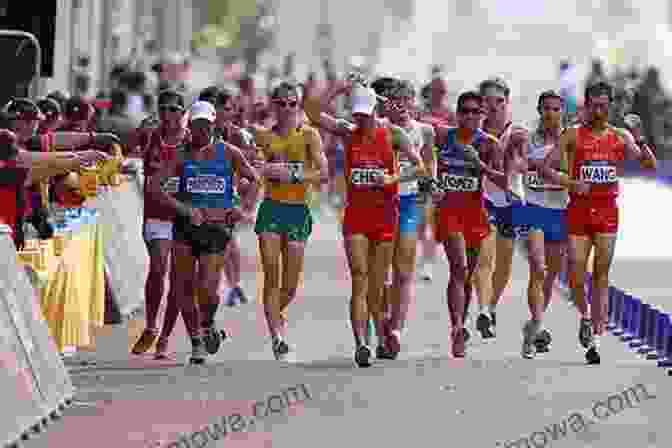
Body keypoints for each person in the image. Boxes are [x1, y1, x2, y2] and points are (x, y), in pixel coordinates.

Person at [305, 79, 426, 367]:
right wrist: (340, 87)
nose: (359, 119)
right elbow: (312, 113)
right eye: (356, 113)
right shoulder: (348, 132)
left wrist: (392, 179)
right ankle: (361, 343)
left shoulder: (394, 134)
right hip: (356, 216)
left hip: (385, 216)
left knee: (376, 282)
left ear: (375, 111)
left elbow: (420, 168)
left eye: (365, 114)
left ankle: (383, 329)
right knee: (359, 279)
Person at [542, 81, 656, 364]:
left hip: (607, 211)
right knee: (577, 274)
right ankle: (584, 316)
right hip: (579, 211)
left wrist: (640, 138)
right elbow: (544, 168)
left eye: (604, 106)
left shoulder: (619, 136)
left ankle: (595, 337)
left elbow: (649, 165)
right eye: (594, 105)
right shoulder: (572, 135)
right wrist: (569, 182)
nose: (599, 111)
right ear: (586, 105)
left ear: (611, 106)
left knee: (602, 274)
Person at [147, 101, 259, 364]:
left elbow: (254, 179)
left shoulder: (229, 152)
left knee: (208, 290)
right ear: (190, 126)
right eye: (195, 125)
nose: (200, 130)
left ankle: (208, 324)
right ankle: (196, 341)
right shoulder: (180, 154)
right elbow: (154, 186)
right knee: (183, 287)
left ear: (212, 125)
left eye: (205, 125)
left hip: (217, 228)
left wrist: (242, 209)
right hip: (186, 228)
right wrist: (183, 209)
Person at [251, 82, 327, 361]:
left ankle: (276, 312)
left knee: (290, 284)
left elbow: (324, 173)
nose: (286, 109)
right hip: (271, 209)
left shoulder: (310, 136)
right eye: (281, 103)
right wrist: (270, 169)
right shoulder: (263, 136)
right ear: (273, 105)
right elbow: (257, 168)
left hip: (297, 211)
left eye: (292, 103)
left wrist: (293, 175)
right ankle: (277, 337)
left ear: (298, 105)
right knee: (271, 274)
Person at [432, 91, 507, 357]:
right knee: (459, 268)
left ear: (483, 115)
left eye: (476, 111)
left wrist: (479, 165)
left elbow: (504, 181)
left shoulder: (489, 144)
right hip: (449, 211)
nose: (471, 116)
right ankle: (455, 327)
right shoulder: (443, 136)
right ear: (457, 113)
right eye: (465, 111)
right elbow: (417, 129)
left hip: (475, 214)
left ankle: (461, 325)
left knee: (467, 276)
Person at [372, 77, 435, 359]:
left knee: (404, 269)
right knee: (381, 272)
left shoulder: (425, 130)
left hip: (409, 203)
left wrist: (431, 185)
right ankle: (383, 327)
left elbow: (428, 165)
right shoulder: (379, 130)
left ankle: (397, 329)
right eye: (396, 102)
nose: (403, 107)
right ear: (388, 107)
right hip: (381, 203)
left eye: (407, 101)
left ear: (414, 103)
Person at [131, 90, 191, 357]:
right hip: (156, 213)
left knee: (178, 278)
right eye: (164, 109)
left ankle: (165, 336)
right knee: (158, 268)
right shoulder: (151, 136)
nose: (168, 115)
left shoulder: (192, 139)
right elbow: (130, 150)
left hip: (182, 215)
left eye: (174, 110)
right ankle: (151, 326)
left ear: (183, 112)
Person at [474, 77, 528, 340]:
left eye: (499, 101)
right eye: (487, 101)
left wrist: (511, 157)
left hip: (509, 202)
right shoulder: (474, 132)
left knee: (504, 265)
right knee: (485, 259)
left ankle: (491, 306)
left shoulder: (517, 132)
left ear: (507, 102)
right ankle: (483, 310)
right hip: (482, 200)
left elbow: (521, 164)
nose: (493, 106)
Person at [517, 90, 568, 358]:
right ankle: (536, 327)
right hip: (535, 209)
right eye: (546, 108)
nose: (550, 113)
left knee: (549, 276)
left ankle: (534, 323)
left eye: (555, 109)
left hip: (559, 212)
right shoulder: (527, 138)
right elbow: (519, 165)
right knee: (538, 268)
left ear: (562, 112)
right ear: (539, 110)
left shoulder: (570, 139)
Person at [0, 129, 110, 248]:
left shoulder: (16, 166)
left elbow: (45, 159)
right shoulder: (9, 174)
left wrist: (87, 152)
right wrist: (82, 158)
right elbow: (47, 164)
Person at [417, 76, 456, 281]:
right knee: (424, 219)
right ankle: (426, 260)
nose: (439, 94)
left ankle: (431, 256)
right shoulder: (419, 113)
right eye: (436, 90)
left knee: (438, 221)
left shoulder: (450, 114)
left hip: (443, 173)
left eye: (442, 91)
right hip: (422, 171)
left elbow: (458, 139)